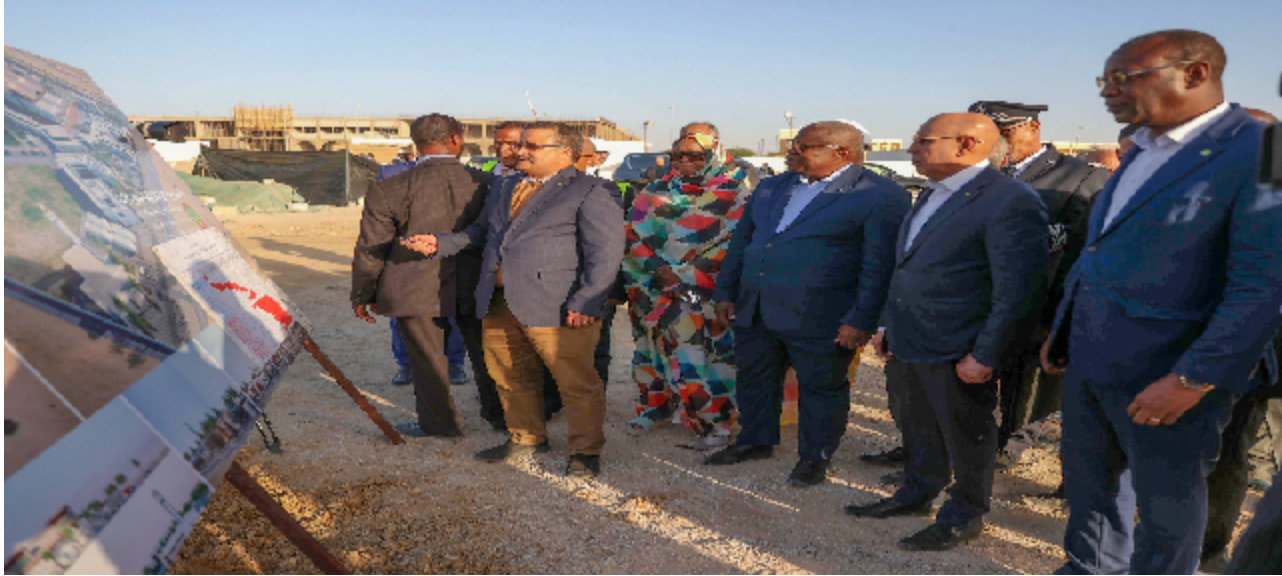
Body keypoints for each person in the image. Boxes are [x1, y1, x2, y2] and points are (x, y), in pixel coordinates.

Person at [1040, 30, 1282, 574]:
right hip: (1093, 358)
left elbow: (1262, 284)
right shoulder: (1143, 150)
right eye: (1103, 80)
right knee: (1092, 488)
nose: (1109, 91)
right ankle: (1090, 568)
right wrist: (1064, 332)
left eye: (1125, 77)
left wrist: (1194, 378)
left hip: (1169, 371)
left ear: (1195, 74)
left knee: (1166, 506)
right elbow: (1100, 252)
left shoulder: (1263, 150)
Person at [844, 113, 1049, 552]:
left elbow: (1019, 289)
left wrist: (988, 353)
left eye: (922, 142)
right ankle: (917, 492)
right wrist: (886, 325)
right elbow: (903, 267)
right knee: (917, 425)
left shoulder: (1009, 200)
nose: (911, 150)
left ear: (967, 144)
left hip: (959, 346)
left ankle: (964, 514)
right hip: (908, 338)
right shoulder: (931, 194)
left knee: (967, 435)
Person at [405, 122, 625, 478]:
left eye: (532, 146)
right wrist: (441, 243)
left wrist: (587, 300)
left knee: (576, 382)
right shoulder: (505, 186)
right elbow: (481, 233)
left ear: (565, 152)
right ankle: (526, 438)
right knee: (508, 374)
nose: (521, 151)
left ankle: (585, 450)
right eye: (521, 144)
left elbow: (606, 251)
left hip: (558, 305)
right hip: (499, 300)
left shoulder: (592, 190)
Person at [703, 121, 911, 487]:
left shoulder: (881, 194)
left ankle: (815, 456)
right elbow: (743, 244)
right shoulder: (771, 186)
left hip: (823, 314)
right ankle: (756, 440)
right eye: (793, 144)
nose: (792, 151)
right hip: (757, 306)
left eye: (804, 147)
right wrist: (726, 292)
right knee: (755, 379)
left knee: (821, 387)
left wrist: (862, 318)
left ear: (842, 153)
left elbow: (878, 265)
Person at [968, 101, 1111, 461]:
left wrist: (1058, 312)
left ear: (1033, 128)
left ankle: (1012, 442)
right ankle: (962, 440)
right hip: (976, 297)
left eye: (1004, 132)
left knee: (1025, 382)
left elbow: (1079, 248)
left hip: (1038, 299)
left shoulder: (1079, 175)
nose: (997, 142)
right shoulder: (977, 173)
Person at [351, 113, 494, 437]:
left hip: (412, 287)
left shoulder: (388, 188)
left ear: (416, 143)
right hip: (477, 286)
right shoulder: (487, 184)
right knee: (487, 357)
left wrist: (362, 294)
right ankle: (498, 415)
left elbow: (371, 247)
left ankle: (440, 424)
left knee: (427, 362)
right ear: (457, 139)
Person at [622, 134, 753, 447]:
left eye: (695, 155)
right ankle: (655, 407)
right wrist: (659, 270)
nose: (684, 162)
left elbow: (738, 243)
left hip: (706, 291)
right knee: (652, 350)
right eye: (677, 155)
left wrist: (682, 274)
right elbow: (633, 233)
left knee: (708, 356)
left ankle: (715, 421)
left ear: (715, 154)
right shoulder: (655, 190)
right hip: (654, 285)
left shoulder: (736, 193)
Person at [380, 155, 472, 388]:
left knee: (451, 313)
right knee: (403, 317)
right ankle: (406, 365)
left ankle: (454, 364)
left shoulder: (467, 177)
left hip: (450, 257)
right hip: (407, 260)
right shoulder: (394, 176)